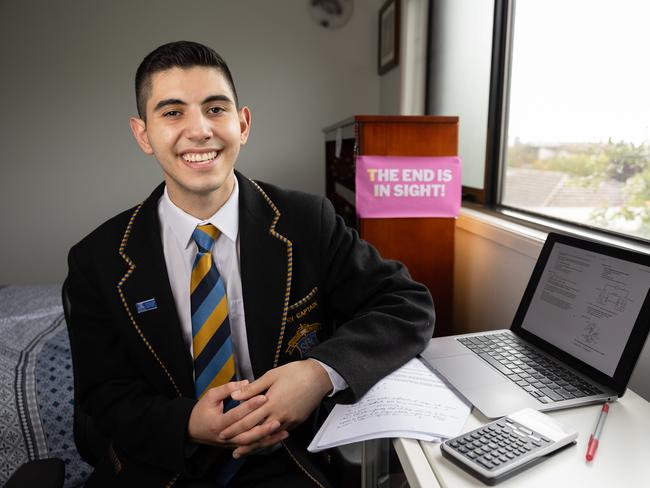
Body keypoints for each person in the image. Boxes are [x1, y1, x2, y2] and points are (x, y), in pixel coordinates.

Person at [65, 40, 434, 487]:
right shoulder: (97, 259)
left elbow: (405, 304)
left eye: (215, 108)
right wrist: (188, 424)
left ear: (243, 124)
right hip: (163, 466)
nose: (199, 130)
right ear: (143, 134)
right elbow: (102, 397)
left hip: (287, 461)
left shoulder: (307, 221)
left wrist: (318, 374)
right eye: (172, 112)